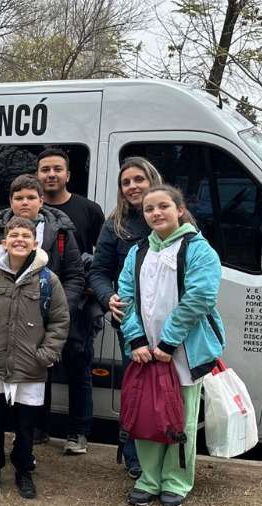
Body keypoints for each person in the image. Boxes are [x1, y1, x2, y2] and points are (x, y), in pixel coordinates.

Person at [0, 174, 83, 470]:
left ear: (41, 200)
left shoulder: (60, 230)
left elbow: (75, 274)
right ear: (10, 202)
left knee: (30, 406)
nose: (24, 203)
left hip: (36, 330)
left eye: (30, 197)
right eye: (18, 198)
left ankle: (24, 455)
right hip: (0, 331)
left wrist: (54, 306)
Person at [117, 185, 224, 506]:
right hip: (146, 353)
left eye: (163, 206)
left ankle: (175, 481)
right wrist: (136, 340)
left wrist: (168, 341)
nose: (156, 213)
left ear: (179, 210)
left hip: (183, 353)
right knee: (149, 415)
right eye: (149, 209)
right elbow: (124, 297)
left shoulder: (200, 250)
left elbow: (200, 297)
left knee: (182, 420)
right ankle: (148, 479)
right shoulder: (138, 252)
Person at [0, 216, 70, 499]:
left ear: (35, 242)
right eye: (14, 235)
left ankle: (24, 469)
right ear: (4, 241)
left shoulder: (48, 279)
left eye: (26, 235)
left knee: (26, 425)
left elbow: (60, 320)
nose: (19, 240)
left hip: (31, 365)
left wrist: (46, 354)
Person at [89, 157, 163, 480]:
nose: (132, 186)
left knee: (170, 390)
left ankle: (167, 456)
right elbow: (99, 271)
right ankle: (134, 457)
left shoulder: (170, 216)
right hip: (131, 326)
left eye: (138, 179)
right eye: (126, 182)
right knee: (136, 391)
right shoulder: (115, 223)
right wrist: (108, 297)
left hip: (169, 325)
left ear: (152, 180)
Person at [35, 148, 104, 452]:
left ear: (68, 175)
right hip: (35, 305)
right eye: (45, 169)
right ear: (38, 175)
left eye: (57, 169)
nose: (51, 174)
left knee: (78, 368)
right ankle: (38, 429)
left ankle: (78, 432)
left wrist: (87, 290)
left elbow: (103, 258)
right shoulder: (30, 210)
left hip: (77, 304)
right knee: (39, 369)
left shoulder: (89, 209)